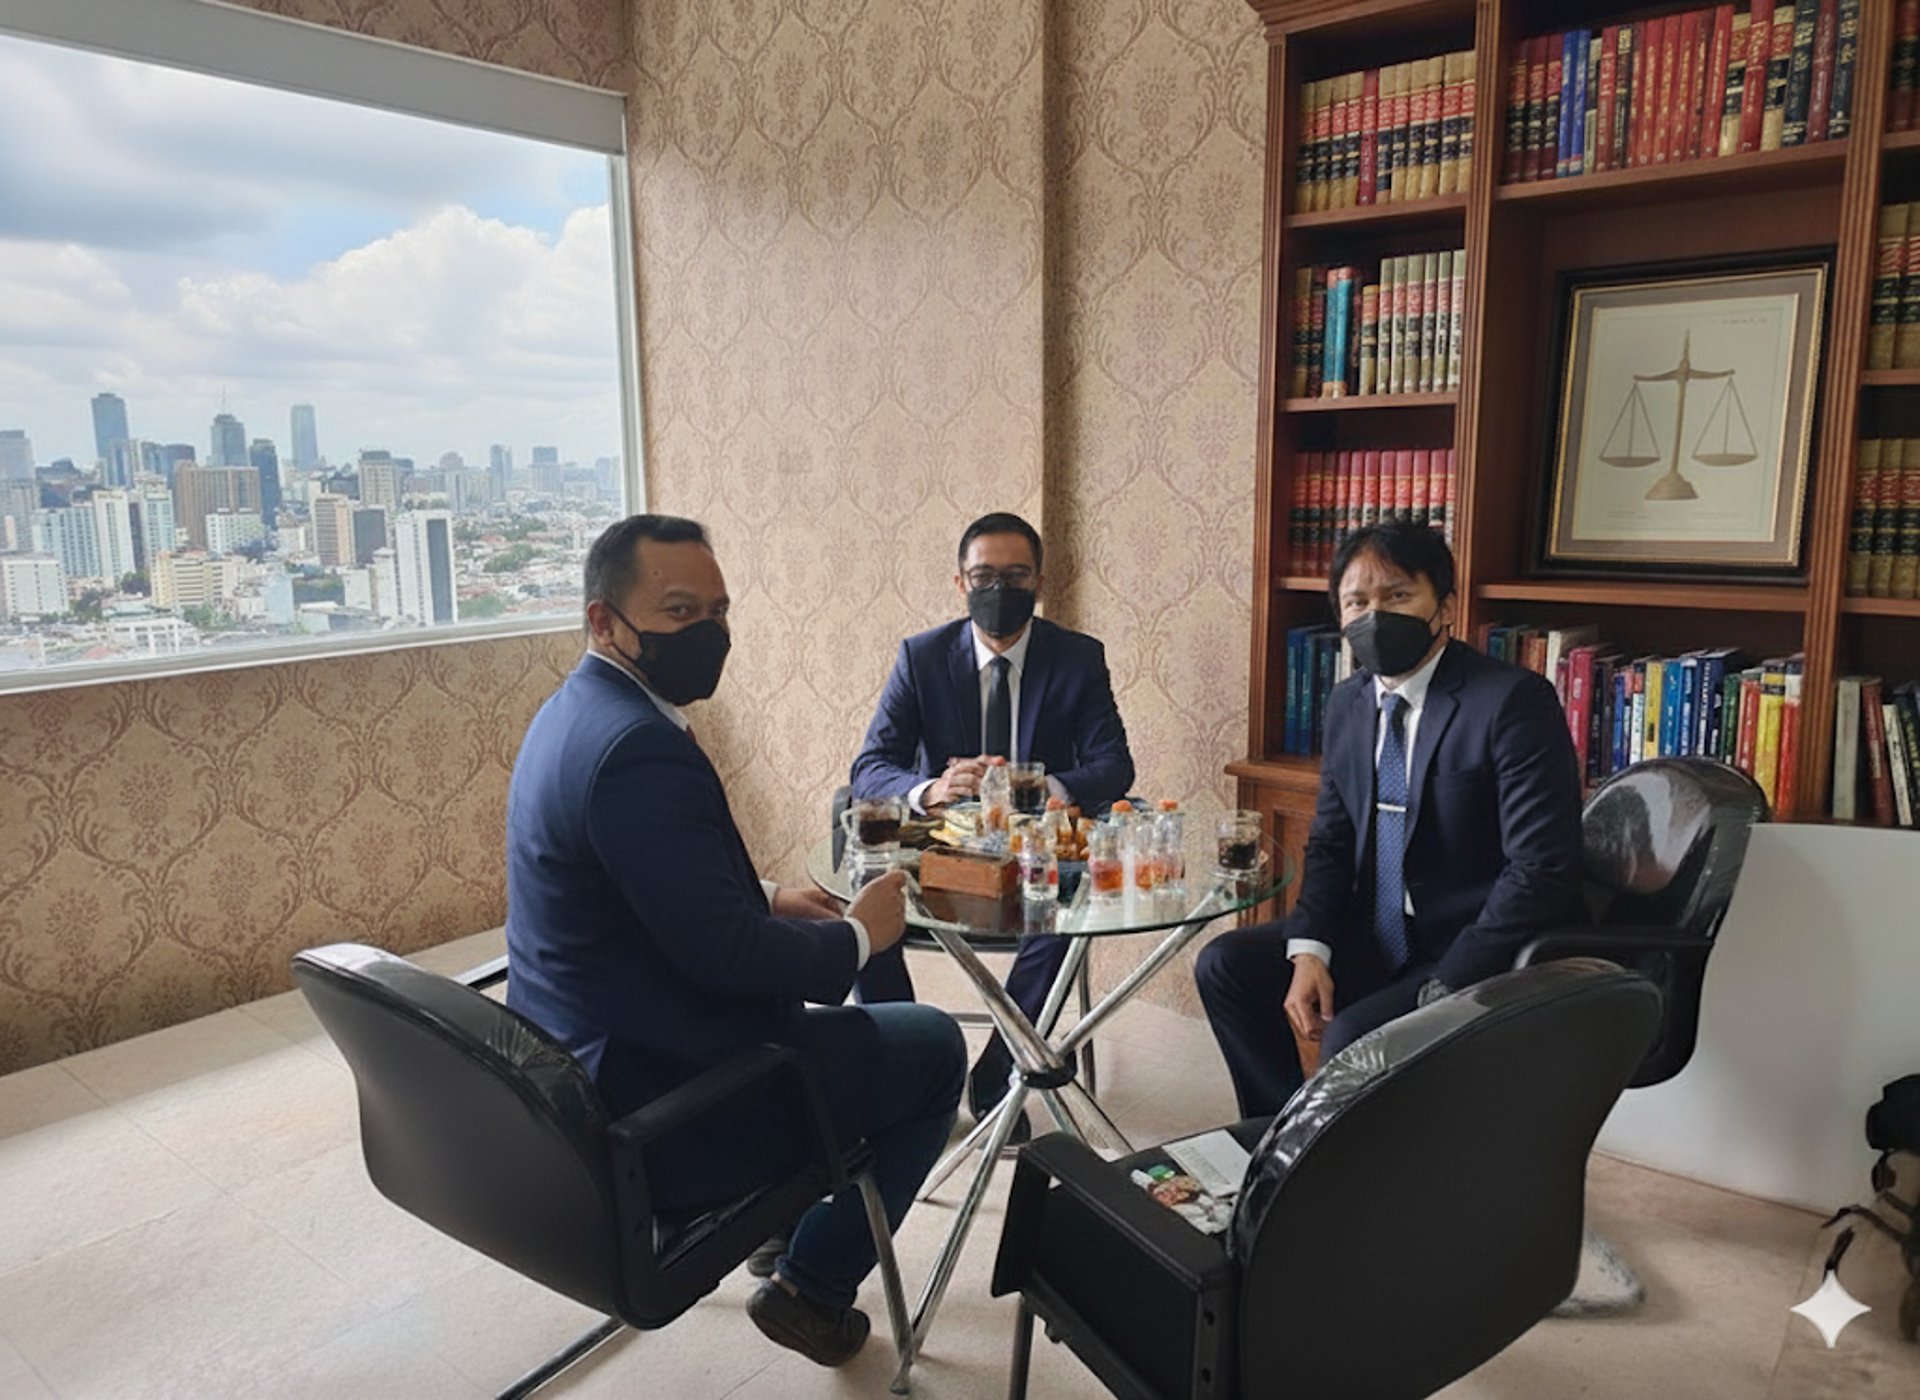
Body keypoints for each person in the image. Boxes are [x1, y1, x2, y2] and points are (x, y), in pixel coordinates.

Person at [505, 514, 964, 1368]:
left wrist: (768, 897)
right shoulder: (639, 749)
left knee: (860, 1028)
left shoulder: (574, 713)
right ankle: (811, 1288)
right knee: (934, 1047)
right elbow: (728, 958)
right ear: (604, 620)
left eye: (719, 612)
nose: (710, 634)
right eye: (681, 612)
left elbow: (640, 887)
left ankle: (780, 1228)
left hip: (579, 1055)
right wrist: (859, 938)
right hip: (664, 1097)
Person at [1196, 521, 1584, 1119]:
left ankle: (1342, 1161)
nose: (1375, 615)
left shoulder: (1511, 701)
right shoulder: (1348, 702)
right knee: (1226, 966)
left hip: (1471, 943)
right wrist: (1310, 950)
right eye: (1357, 601)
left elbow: (1541, 868)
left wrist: (1448, 981)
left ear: (1444, 607)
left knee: (1352, 1039)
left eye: (1398, 595)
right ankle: (1281, 1138)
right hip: (1377, 932)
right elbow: (1331, 841)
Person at [849, 511, 1134, 1123]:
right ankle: (903, 1071)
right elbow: (870, 767)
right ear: (960, 583)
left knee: (1061, 917)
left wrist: (1039, 786)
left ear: (1039, 583)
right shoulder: (922, 657)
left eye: (1016, 575)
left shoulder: (1077, 658)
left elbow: (1115, 765)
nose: (998, 590)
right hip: (944, 852)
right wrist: (931, 787)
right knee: (867, 897)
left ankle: (1001, 1072)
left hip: (1036, 853)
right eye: (983, 576)